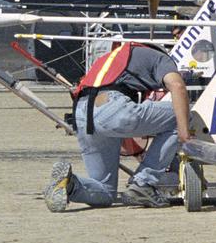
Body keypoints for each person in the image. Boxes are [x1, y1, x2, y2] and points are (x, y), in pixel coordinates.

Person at [44, 41, 192, 211]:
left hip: (83, 113)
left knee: (106, 192)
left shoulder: (110, 59)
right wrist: (184, 132)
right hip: (111, 106)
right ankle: (143, 182)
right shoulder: (160, 57)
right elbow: (177, 86)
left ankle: (69, 184)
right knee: (182, 114)